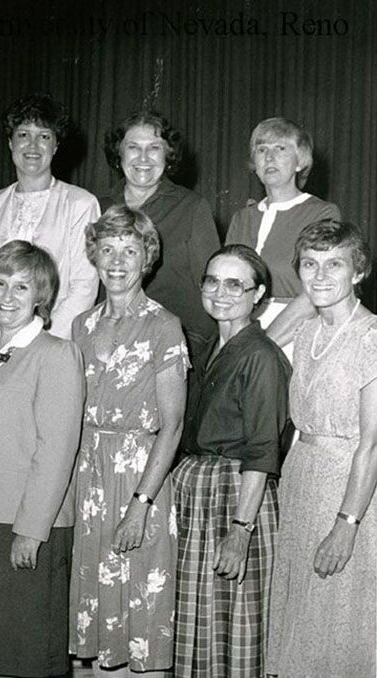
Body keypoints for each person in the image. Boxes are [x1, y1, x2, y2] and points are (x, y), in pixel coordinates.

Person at [69, 205, 189, 677]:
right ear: (94, 256)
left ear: (147, 259)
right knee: (101, 625)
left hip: (141, 479)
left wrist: (140, 504)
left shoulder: (164, 326)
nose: (117, 261)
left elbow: (173, 425)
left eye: (130, 250)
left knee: (142, 620)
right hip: (90, 481)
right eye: (107, 249)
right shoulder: (82, 326)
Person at [0, 240, 84, 678]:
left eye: (22, 287)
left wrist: (31, 531)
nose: (8, 296)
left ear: (41, 297)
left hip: (27, 524)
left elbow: (57, 450)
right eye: (0, 283)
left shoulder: (57, 354)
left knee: (22, 657)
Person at [172, 244, 292, 678]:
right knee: (205, 626)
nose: (220, 293)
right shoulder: (209, 347)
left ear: (257, 294)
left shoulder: (260, 356)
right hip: (204, 497)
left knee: (235, 628)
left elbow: (262, 450)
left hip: (238, 497)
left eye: (234, 284)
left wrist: (241, 532)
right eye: (212, 281)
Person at [267, 220, 377, 678]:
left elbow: (372, 444)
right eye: (310, 264)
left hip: (349, 491)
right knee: (303, 613)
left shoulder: (372, 336)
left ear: (358, 272)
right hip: (301, 479)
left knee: (341, 615)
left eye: (335, 264)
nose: (320, 275)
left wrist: (347, 524)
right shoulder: (307, 330)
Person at [0, 93, 100, 341]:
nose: (32, 145)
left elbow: (83, 288)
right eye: (23, 135)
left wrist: (38, 346)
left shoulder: (81, 204)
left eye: (44, 136)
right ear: (10, 142)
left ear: (56, 145)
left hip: (53, 345)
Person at [99, 110, 220, 361]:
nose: (143, 157)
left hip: (175, 343)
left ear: (167, 155)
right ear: (119, 153)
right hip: (108, 340)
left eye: (154, 147)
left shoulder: (192, 207)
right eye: (133, 147)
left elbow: (211, 286)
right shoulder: (97, 207)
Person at [225, 117, 341, 351]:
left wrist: (262, 348)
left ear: (300, 162)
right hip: (240, 330)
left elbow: (316, 294)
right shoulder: (242, 218)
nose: (269, 157)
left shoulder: (321, 213)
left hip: (297, 332)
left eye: (280, 148)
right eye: (261, 149)